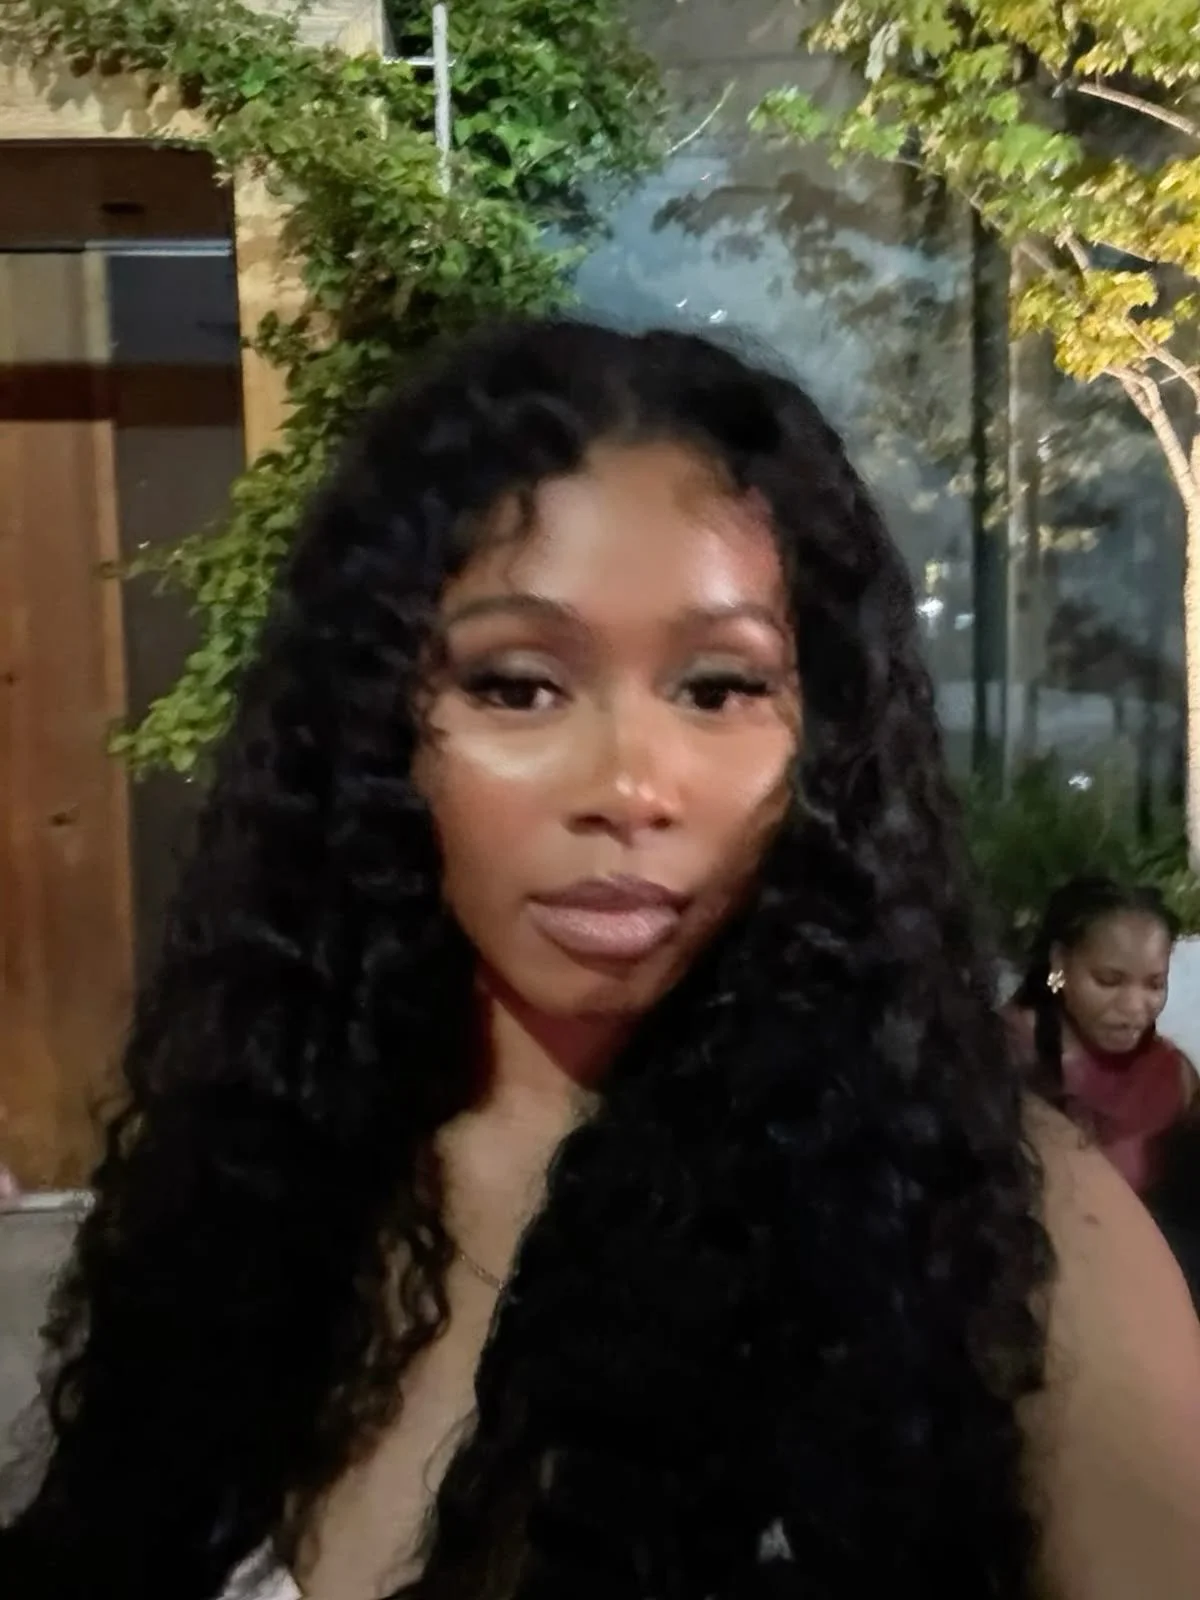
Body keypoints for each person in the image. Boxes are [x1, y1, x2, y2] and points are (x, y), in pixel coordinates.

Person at [3, 320, 1200, 1600]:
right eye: (518, 686)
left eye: (721, 687)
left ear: (829, 739)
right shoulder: (259, 1173)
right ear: (378, 736)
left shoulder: (1015, 1245)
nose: (632, 786)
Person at [1005, 877, 1197, 1197]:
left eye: (1154, 985)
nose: (1135, 1008)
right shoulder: (999, 1052)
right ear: (1060, 962)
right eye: (1109, 980)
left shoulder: (1174, 1075)